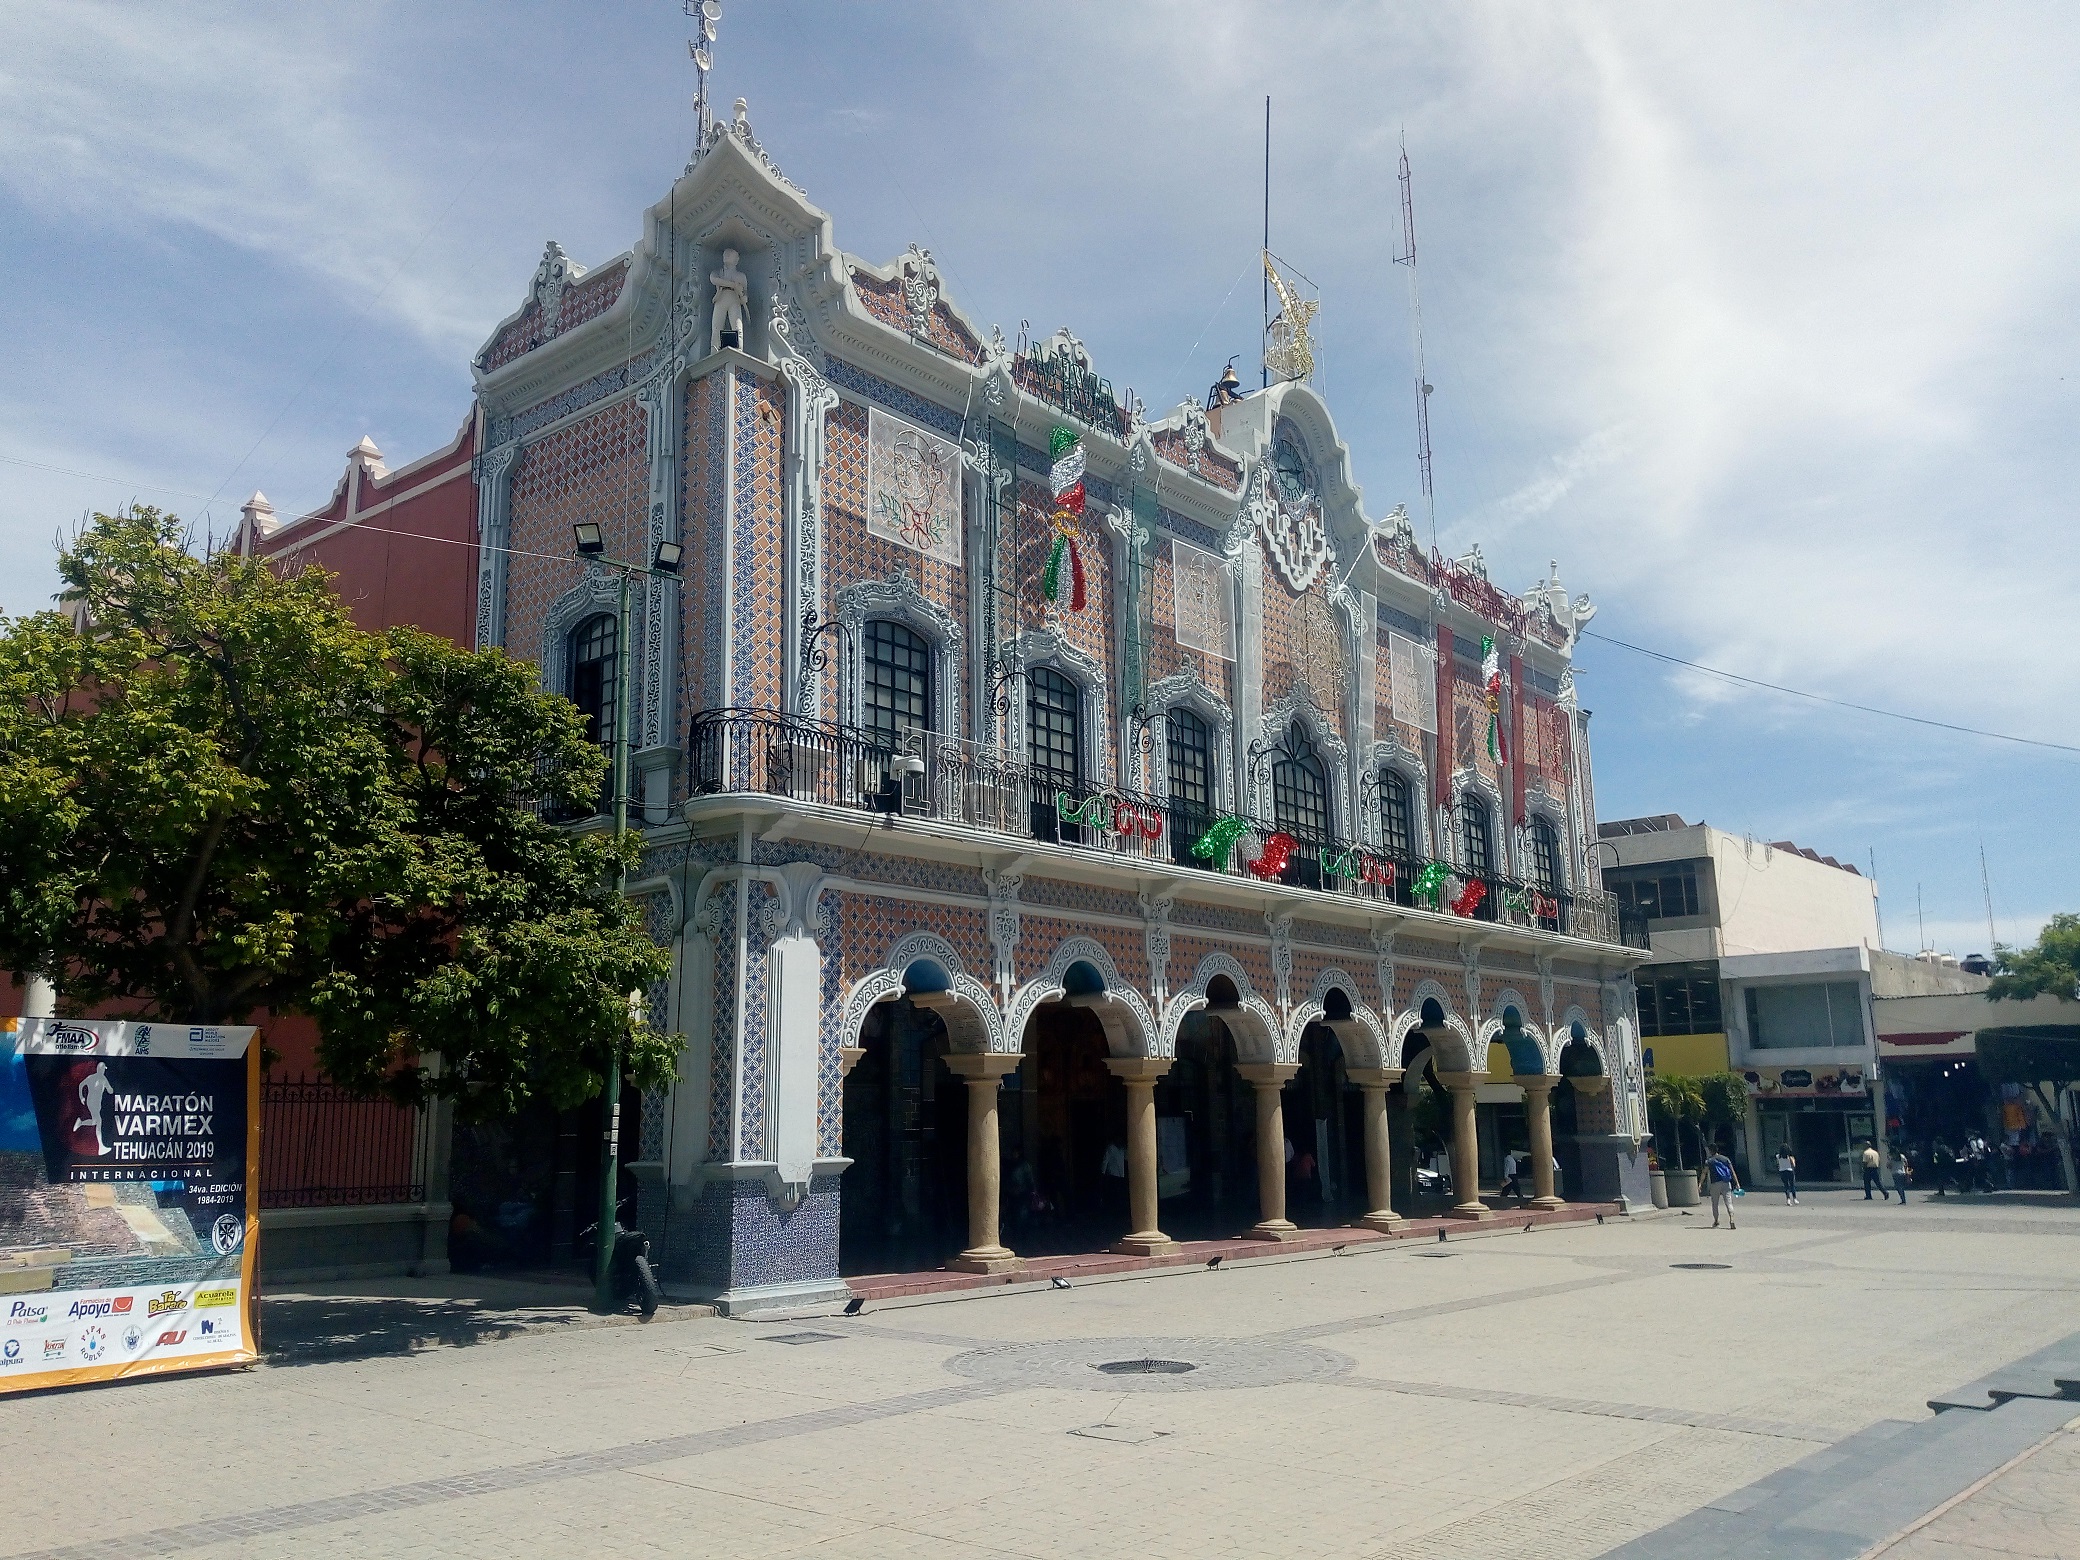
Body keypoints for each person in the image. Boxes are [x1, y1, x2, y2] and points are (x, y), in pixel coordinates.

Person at [1703, 1145, 1740, 1228]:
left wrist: (1700, 1184)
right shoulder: (1725, 1159)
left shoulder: (1709, 1161)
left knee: (1715, 1203)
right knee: (1728, 1202)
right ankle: (1731, 1218)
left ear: (1710, 1150)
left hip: (1715, 1184)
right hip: (1726, 1183)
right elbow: (1732, 1172)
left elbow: (1704, 1173)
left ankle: (1716, 1221)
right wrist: (1737, 1183)